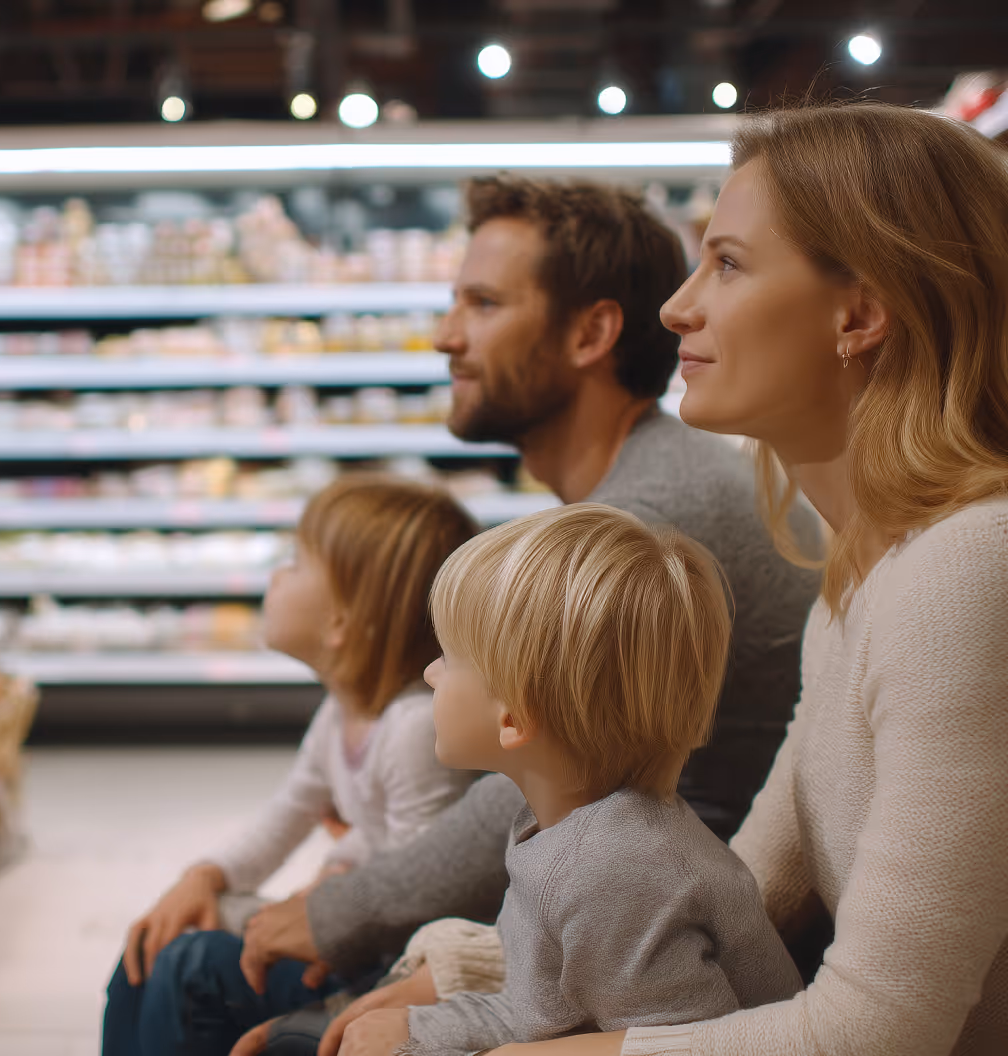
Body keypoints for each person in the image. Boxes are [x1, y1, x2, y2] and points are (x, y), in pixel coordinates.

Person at [405, 100, 1008, 1056]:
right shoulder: (866, 570)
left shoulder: (965, 572)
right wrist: (484, 981)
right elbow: (743, 898)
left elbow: (881, 1030)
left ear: (859, 312)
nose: (677, 307)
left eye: (726, 263)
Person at [222, 177, 823, 1056]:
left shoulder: (637, 532)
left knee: (200, 975)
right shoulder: (652, 485)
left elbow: (525, 779)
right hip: (613, 923)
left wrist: (342, 914)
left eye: (483, 302)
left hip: (629, 929)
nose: (444, 334)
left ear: (591, 333)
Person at [340, 503, 802, 1056]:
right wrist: (423, 1029)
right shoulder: (569, 829)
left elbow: (674, 1047)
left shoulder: (613, 871)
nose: (430, 673)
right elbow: (549, 1013)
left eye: (449, 657)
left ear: (513, 717)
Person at [102, 475, 481, 1056]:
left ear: (341, 623)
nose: (277, 576)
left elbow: (425, 889)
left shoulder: (411, 729)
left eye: (296, 563)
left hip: (386, 966)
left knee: (189, 964)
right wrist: (207, 876)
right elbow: (287, 816)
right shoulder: (340, 714)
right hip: (354, 930)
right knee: (154, 943)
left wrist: (336, 896)